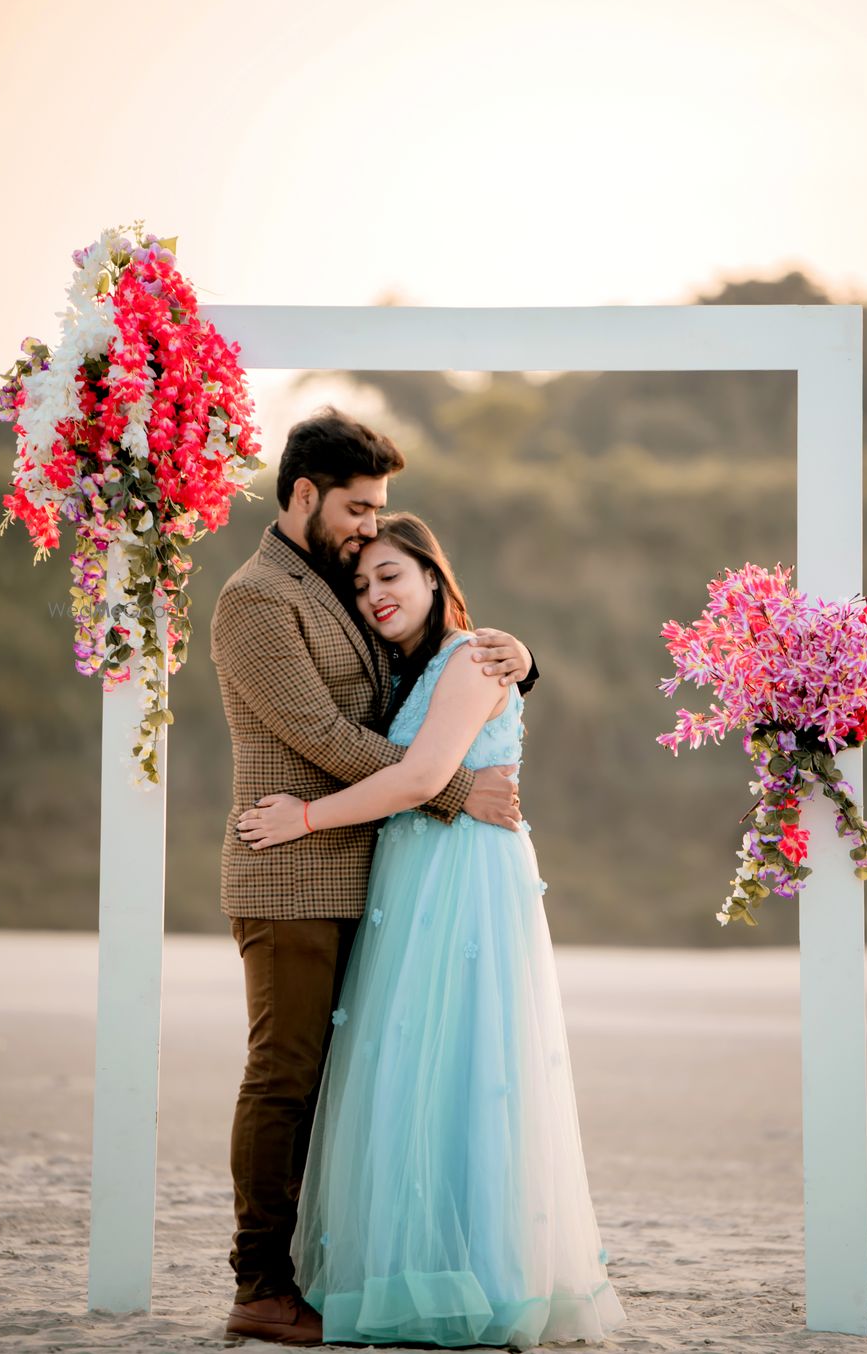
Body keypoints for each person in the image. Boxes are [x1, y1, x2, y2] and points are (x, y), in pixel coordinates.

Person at [237, 513, 626, 1350]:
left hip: (463, 885)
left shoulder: (472, 653)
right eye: (363, 584)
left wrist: (302, 816)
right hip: (417, 883)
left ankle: (478, 1275)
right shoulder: (414, 670)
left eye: (391, 577)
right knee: (413, 1069)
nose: (375, 595)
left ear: (432, 578)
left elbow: (418, 775)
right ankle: (411, 1271)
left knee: (462, 1070)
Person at [211, 408, 537, 1347]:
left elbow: (423, 682)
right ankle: (261, 1286)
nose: (367, 528)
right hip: (290, 867)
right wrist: (453, 789)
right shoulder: (255, 598)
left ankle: (322, 1272)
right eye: (358, 508)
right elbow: (317, 733)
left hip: (372, 873)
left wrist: (515, 660)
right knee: (283, 1079)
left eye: (381, 514)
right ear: (303, 494)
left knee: (345, 1085)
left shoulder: (331, 582)